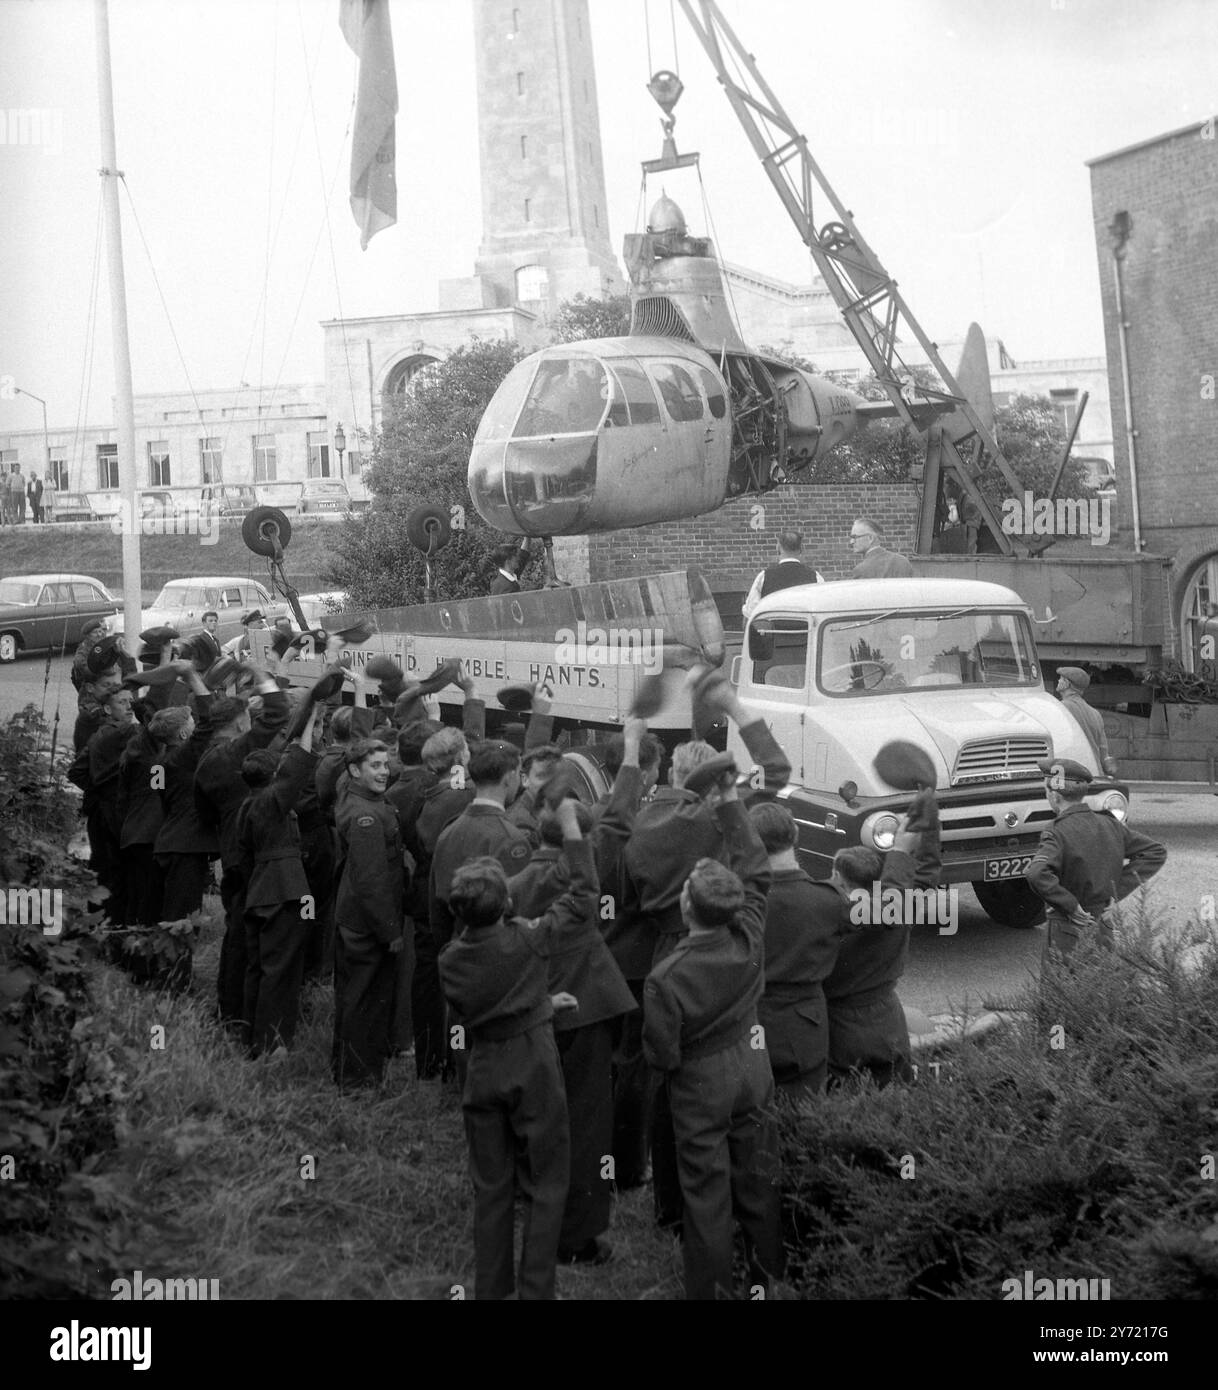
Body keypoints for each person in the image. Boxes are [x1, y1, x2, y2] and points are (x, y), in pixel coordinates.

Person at [438, 796, 597, 1301]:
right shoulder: (530, 938)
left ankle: (492, 1289)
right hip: (533, 1064)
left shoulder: (449, 960)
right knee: (548, 1181)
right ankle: (535, 1290)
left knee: (491, 1187)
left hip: (483, 1067)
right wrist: (573, 829)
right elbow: (585, 894)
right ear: (506, 905)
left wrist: (541, 1002)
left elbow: (489, 1000)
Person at [642, 756, 784, 1301]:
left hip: (700, 1083)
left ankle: (711, 1289)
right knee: (758, 1177)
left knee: (706, 1194)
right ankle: (768, 1279)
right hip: (754, 1068)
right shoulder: (747, 931)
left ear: (686, 907)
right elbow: (756, 868)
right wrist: (728, 798)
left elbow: (661, 1054)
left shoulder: (666, 976)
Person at [823, 790, 940, 1089]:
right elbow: (925, 878)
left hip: (840, 1030)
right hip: (889, 1023)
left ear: (838, 877)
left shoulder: (829, 915)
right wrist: (928, 829)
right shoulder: (901, 910)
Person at [237, 703, 322, 1056]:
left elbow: (242, 856)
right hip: (286, 892)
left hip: (260, 890)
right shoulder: (272, 802)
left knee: (259, 967)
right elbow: (299, 765)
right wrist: (311, 718)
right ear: (272, 780)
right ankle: (274, 1044)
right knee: (281, 969)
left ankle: (252, 1039)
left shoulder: (247, 806)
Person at [1024, 757, 1167, 964]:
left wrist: (1070, 906)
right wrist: (1115, 891)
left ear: (1054, 795)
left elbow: (1036, 873)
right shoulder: (1110, 825)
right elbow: (1156, 852)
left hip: (1067, 928)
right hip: (1103, 925)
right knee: (1101, 988)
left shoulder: (1056, 831)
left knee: (1061, 992)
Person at [332, 738, 407, 1090]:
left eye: (385, 764)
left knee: (354, 997)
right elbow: (372, 881)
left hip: (355, 918)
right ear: (354, 771)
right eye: (374, 766)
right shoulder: (366, 815)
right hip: (368, 925)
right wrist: (390, 932)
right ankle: (358, 1082)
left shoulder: (355, 795)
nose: (384, 772)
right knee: (365, 1002)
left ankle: (347, 1068)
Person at [741, 531, 823, 621]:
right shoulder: (815, 577)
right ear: (801, 548)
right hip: (807, 633)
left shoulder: (764, 577)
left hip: (774, 633)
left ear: (778, 547)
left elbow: (750, 614)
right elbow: (824, 608)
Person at [1055, 666, 1117, 776]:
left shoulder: (1061, 708)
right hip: (1094, 773)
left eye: (1061, 678)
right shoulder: (1095, 713)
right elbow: (1104, 752)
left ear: (1067, 684)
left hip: (1072, 774)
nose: (1058, 681)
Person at [849, 517, 913, 578]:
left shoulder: (861, 570)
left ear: (870, 538)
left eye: (855, 537)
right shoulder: (903, 561)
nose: (851, 542)